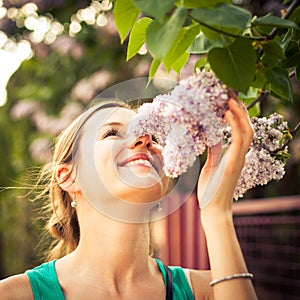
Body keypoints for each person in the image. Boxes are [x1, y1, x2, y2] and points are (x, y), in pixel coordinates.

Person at [0, 96, 258, 300]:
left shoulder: (212, 290)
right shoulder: (13, 295)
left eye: (151, 135)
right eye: (111, 133)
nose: (144, 139)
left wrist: (216, 212)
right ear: (68, 177)